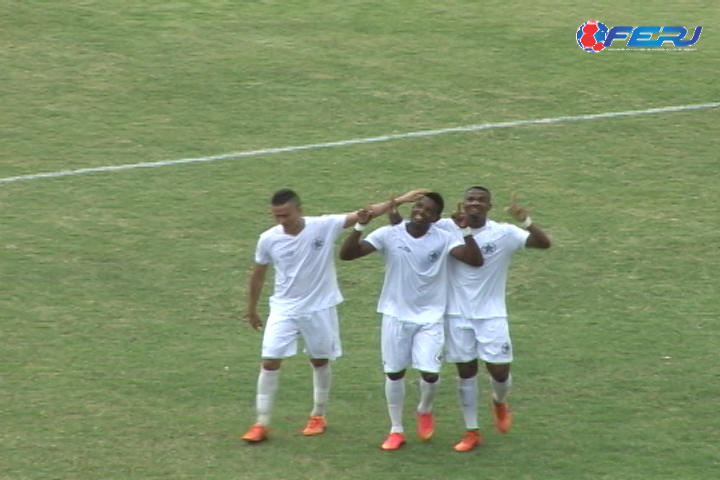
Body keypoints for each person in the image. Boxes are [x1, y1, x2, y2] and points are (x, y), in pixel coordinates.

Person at [241, 187, 429, 443]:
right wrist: (251, 308)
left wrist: (400, 200)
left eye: (286, 215)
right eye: (276, 216)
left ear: (300, 210)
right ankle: (261, 423)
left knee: (319, 360)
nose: (281, 221)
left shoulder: (323, 225)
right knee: (270, 360)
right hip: (284, 309)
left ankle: (318, 414)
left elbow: (365, 214)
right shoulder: (268, 239)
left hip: (319, 307)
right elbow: (258, 274)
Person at [339, 192, 483, 451]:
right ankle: (396, 430)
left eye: (428, 210)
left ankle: (424, 409)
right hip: (395, 316)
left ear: (436, 218)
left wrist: (466, 231)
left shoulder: (443, 237)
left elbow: (475, 260)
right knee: (394, 374)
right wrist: (360, 226)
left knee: (430, 373)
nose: (420, 212)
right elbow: (348, 255)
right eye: (418, 206)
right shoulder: (390, 234)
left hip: (431, 318)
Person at [435, 186, 552, 452]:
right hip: (456, 314)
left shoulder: (504, 233)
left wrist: (526, 220)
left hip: (491, 315)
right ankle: (472, 431)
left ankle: (499, 401)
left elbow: (544, 244)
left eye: (481, 200)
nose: (474, 204)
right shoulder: (445, 228)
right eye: (470, 200)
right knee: (466, 372)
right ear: (462, 204)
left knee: (499, 370)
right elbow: (412, 227)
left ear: (489, 206)